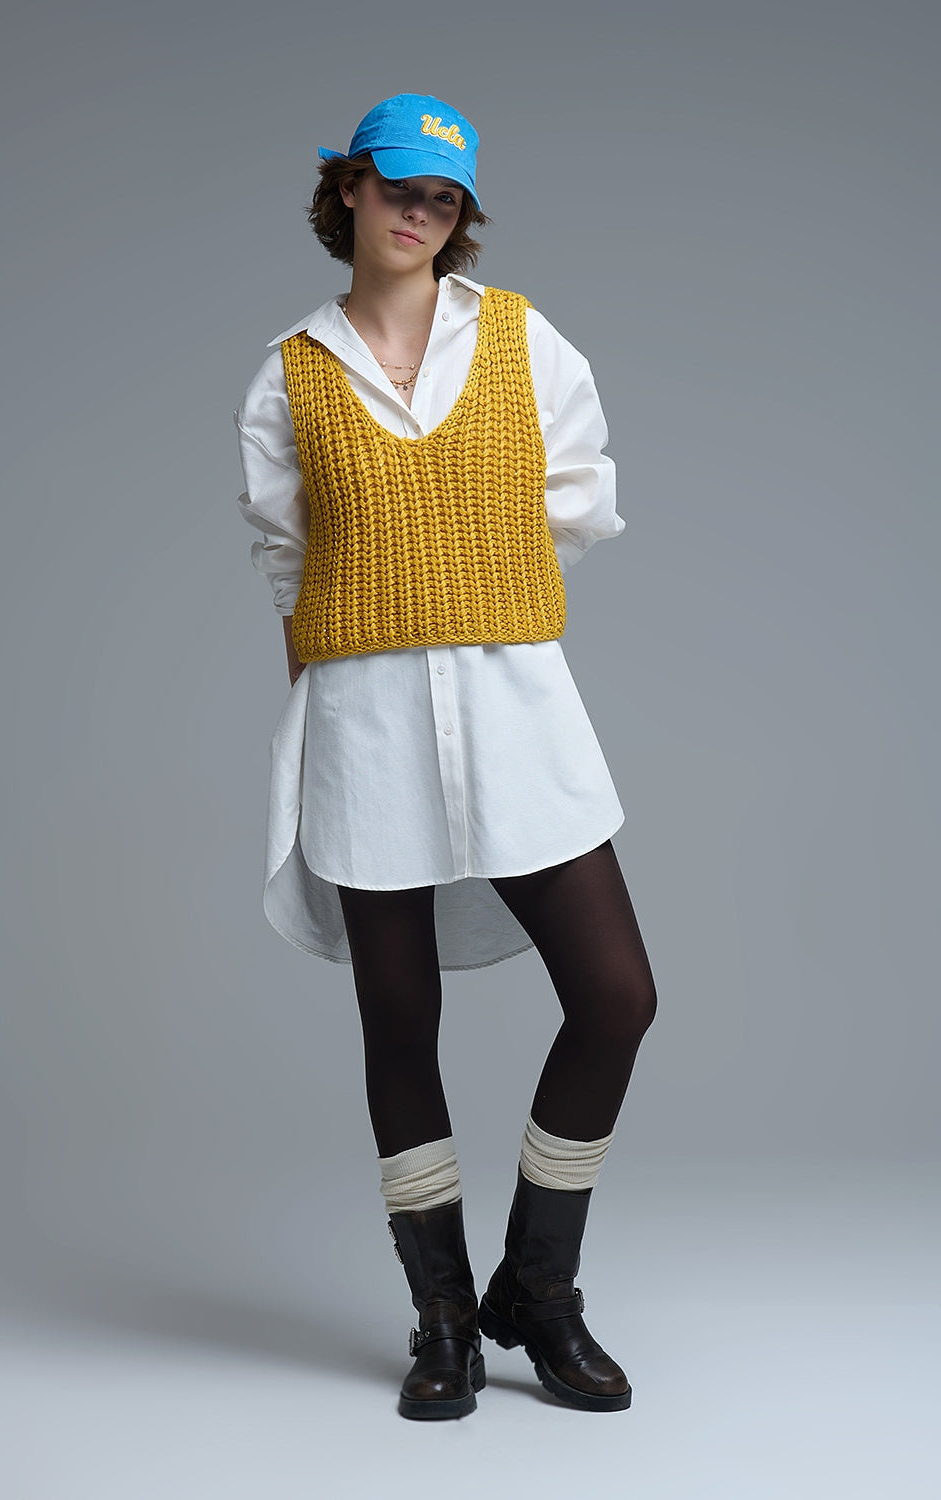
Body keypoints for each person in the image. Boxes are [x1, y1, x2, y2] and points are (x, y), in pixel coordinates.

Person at [233, 93, 658, 1421]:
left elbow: (574, 497)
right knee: (397, 1020)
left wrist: (479, 584)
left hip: (513, 704)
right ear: (348, 191)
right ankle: (444, 1319)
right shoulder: (291, 372)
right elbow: (286, 555)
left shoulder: (523, 340)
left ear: (458, 216)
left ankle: (538, 1288)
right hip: (364, 722)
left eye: (444, 197)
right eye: (398, 187)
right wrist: (350, 646)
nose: (419, 213)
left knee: (616, 995)